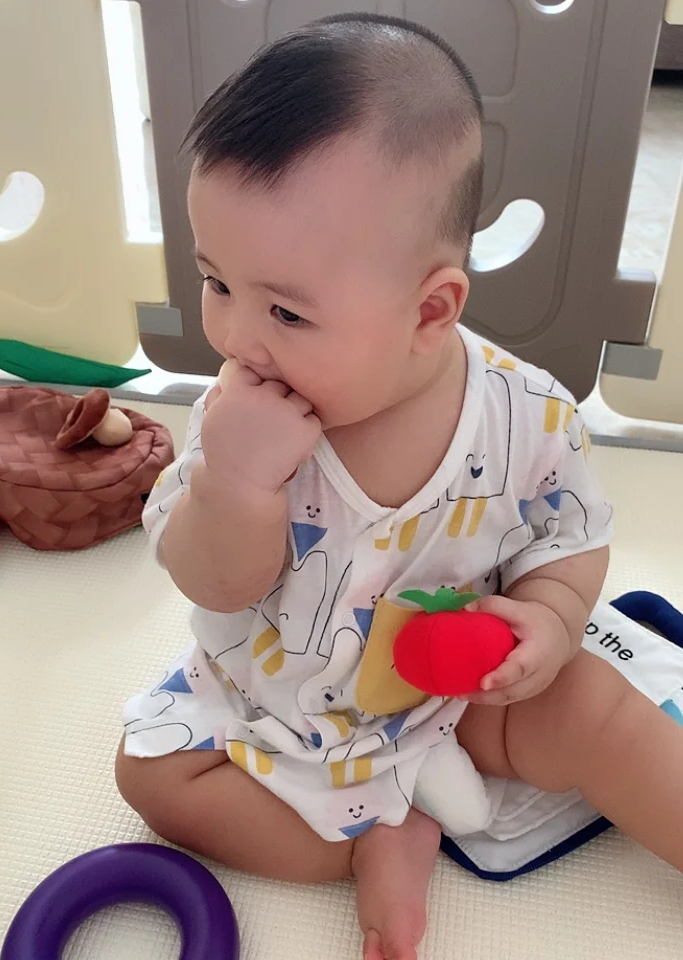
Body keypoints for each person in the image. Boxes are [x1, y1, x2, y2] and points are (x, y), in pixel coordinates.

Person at [115, 14, 683, 960]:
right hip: (284, 707)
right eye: (217, 282)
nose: (236, 337)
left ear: (430, 310)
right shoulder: (240, 419)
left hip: (462, 695)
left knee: (595, 706)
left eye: (286, 310)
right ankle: (370, 839)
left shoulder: (527, 415)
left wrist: (548, 619)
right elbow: (213, 580)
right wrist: (240, 484)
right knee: (150, 776)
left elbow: (570, 537)